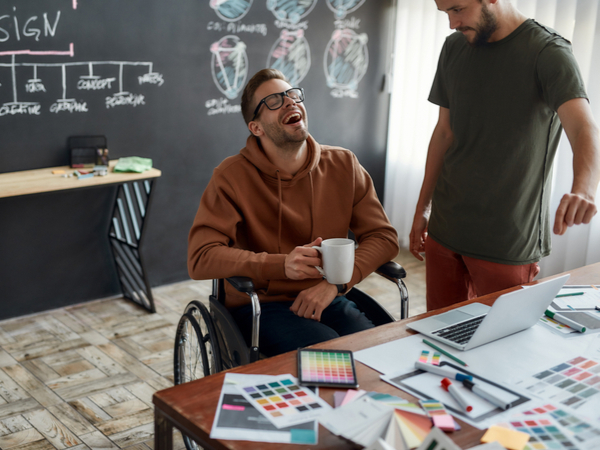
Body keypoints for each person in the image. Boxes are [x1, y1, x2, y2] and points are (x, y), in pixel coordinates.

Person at [188, 68, 399, 356]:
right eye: (274, 101)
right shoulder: (230, 176)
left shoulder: (344, 164)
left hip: (327, 295)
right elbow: (201, 258)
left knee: (377, 353)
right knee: (333, 358)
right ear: (256, 128)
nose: (290, 102)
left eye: (292, 95)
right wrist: (281, 264)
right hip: (261, 306)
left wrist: (335, 285)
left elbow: (383, 237)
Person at [410, 0, 600, 311]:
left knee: (501, 347)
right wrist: (422, 208)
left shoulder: (547, 52)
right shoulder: (454, 47)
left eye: (457, 9)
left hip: (506, 240)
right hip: (446, 228)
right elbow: (445, 132)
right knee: (439, 336)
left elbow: (584, 128)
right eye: (445, 12)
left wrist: (584, 190)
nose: (451, 23)